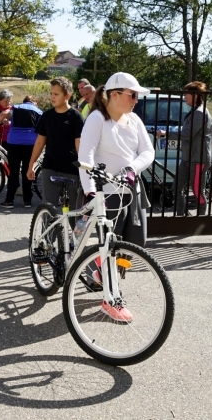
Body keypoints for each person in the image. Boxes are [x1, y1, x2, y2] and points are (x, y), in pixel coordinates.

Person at [78, 72, 154, 322]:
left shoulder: (134, 120)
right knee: (109, 245)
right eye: (133, 95)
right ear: (114, 94)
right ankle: (111, 299)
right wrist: (91, 191)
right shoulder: (97, 119)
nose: (136, 100)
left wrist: (132, 169)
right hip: (104, 193)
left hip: (130, 192)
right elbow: (85, 158)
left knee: (135, 242)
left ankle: (99, 272)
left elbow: (147, 151)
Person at [156, 82, 212, 216]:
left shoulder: (200, 113)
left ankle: (200, 220)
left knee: (197, 192)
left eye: (187, 94)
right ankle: (181, 217)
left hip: (198, 159)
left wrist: (166, 134)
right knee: (176, 189)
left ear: (195, 96)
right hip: (187, 158)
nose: (184, 97)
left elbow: (187, 133)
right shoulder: (194, 112)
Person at [27, 77, 84, 211]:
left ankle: (73, 232)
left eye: (56, 94)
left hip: (71, 168)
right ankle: (49, 232)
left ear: (67, 96)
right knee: (48, 207)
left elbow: (79, 144)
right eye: (51, 93)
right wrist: (31, 165)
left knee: (73, 210)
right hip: (50, 166)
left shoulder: (76, 117)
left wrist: (84, 168)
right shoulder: (46, 116)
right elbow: (40, 142)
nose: (52, 97)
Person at [0, 95, 42, 208]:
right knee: (27, 171)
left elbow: (5, 115)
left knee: (13, 172)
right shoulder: (38, 111)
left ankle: (9, 201)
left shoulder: (16, 108)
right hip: (30, 143)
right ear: (34, 102)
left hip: (13, 142)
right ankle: (27, 201)